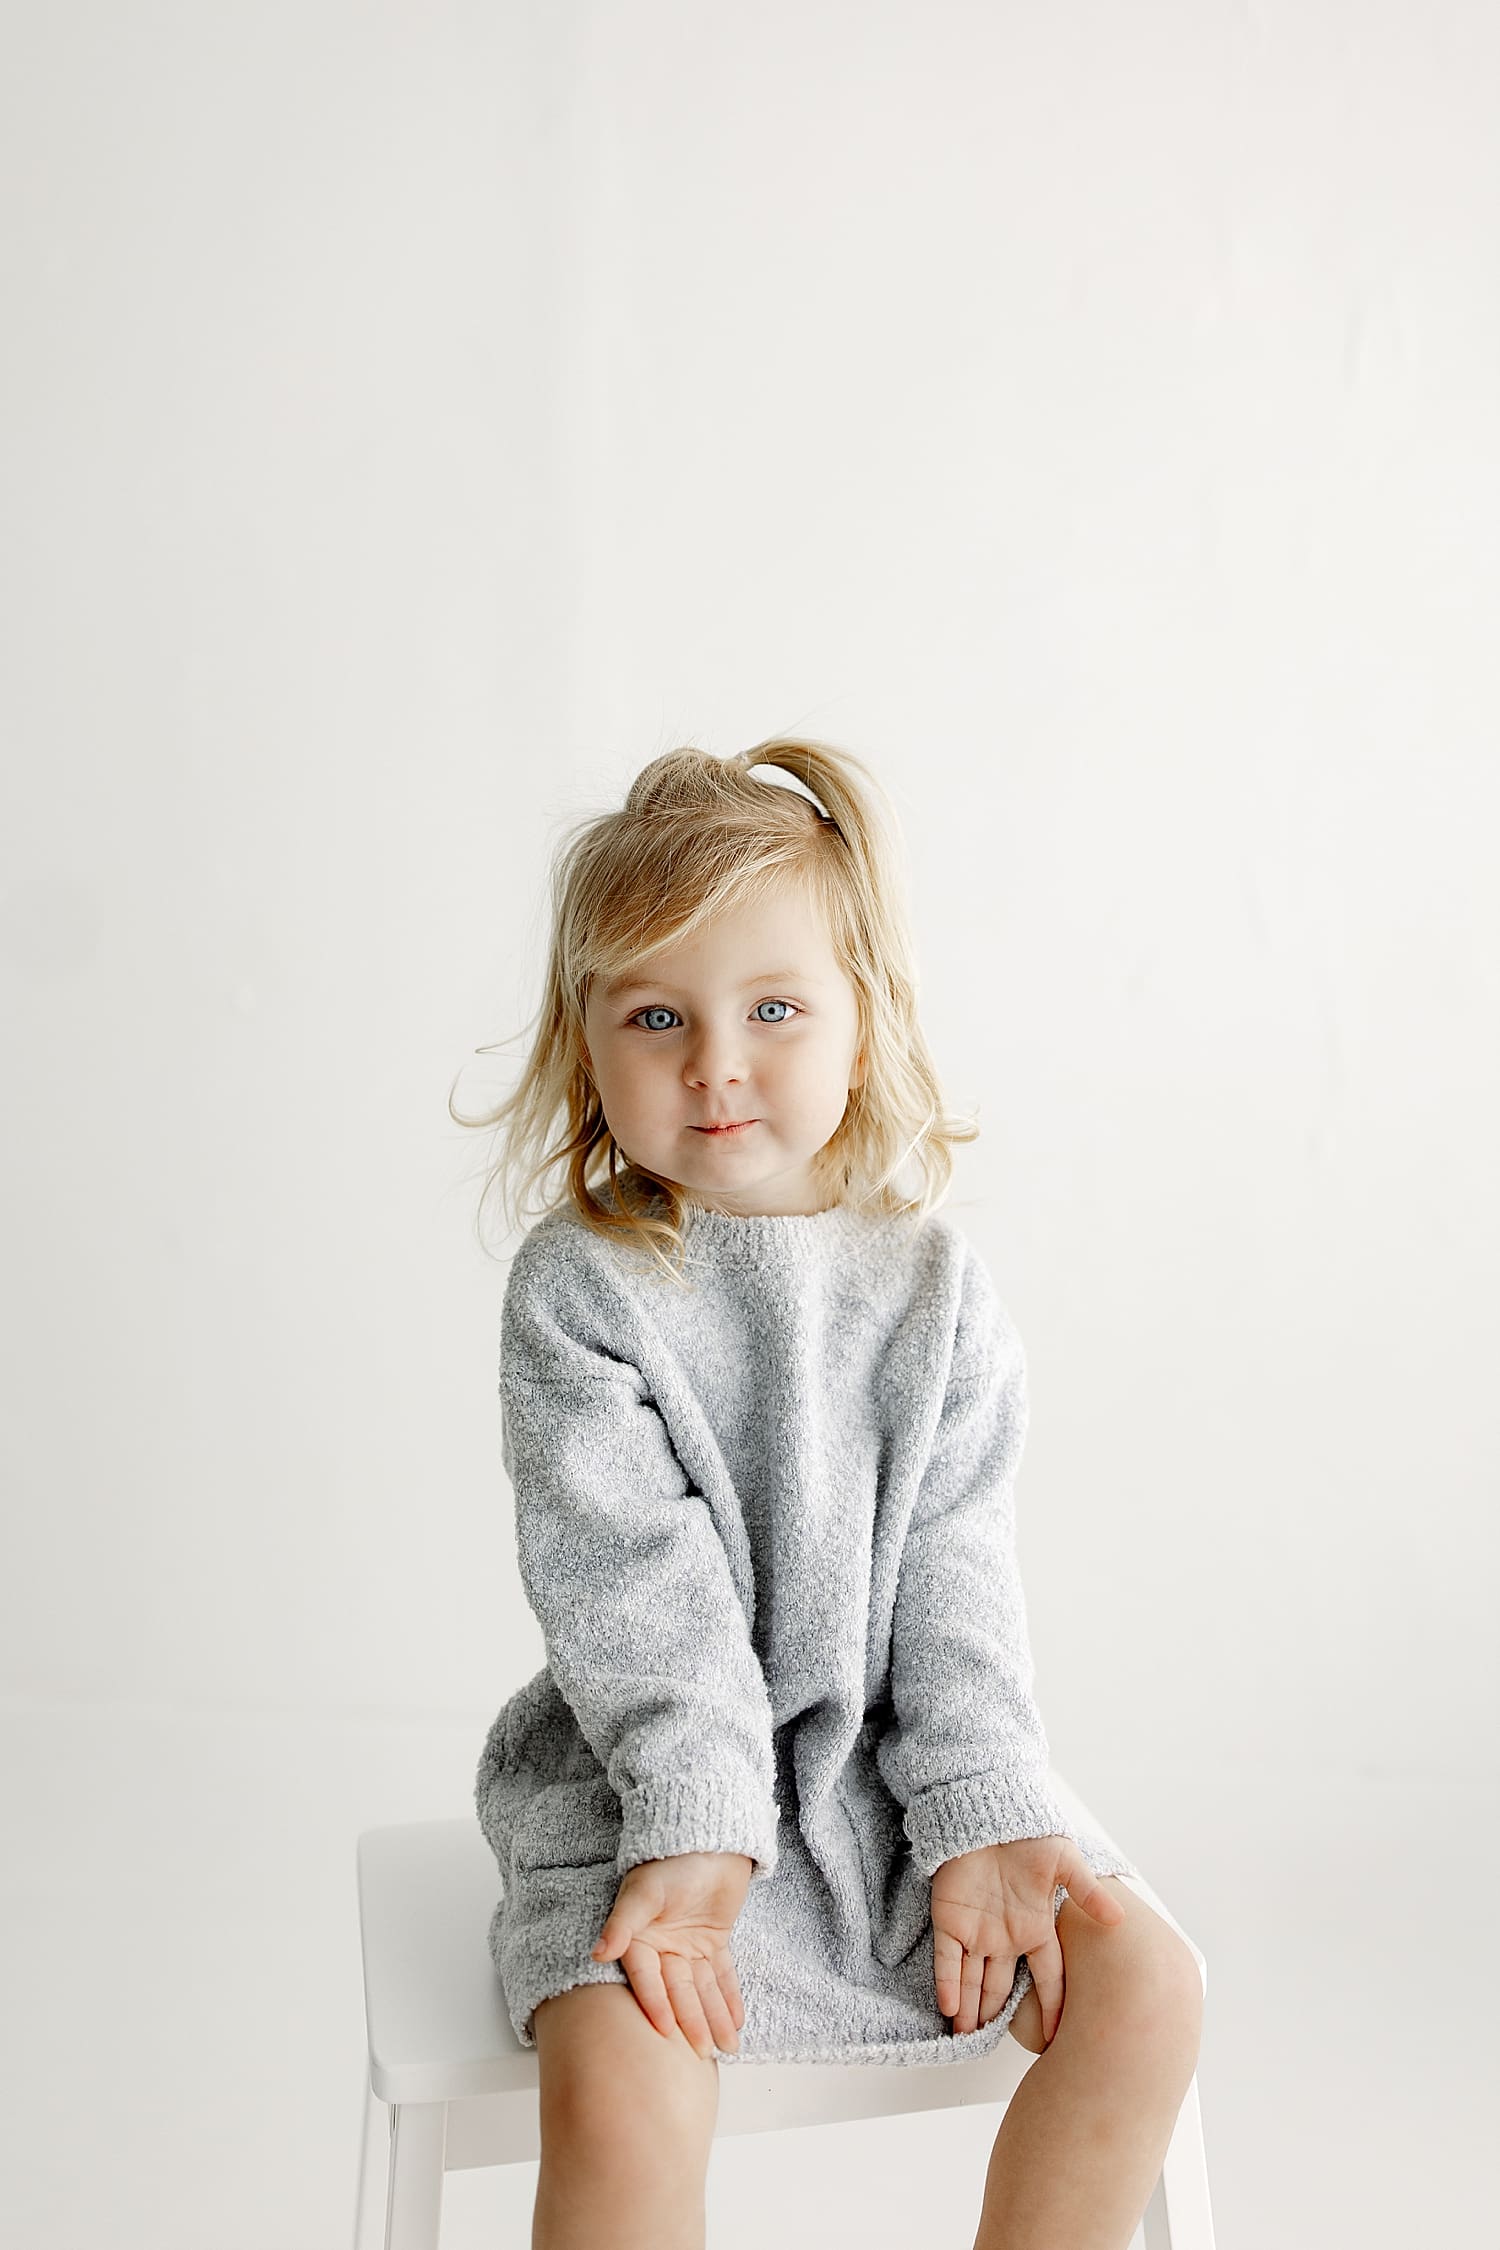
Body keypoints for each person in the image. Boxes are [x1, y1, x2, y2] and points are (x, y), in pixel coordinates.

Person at [457, 738, 1203, 2250]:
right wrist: (699, 1823)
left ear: (865, 1022)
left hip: (892, 1772)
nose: (714, 1063)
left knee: (1150, 1983)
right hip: (653, 1785)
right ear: (587, 1046)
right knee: (621, 2086)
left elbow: (956, 1573)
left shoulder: (936, 1291)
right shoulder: (582, 1291)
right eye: (656, 1016)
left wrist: (978, 1803)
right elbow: (632, 1595)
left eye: (774, 1009)